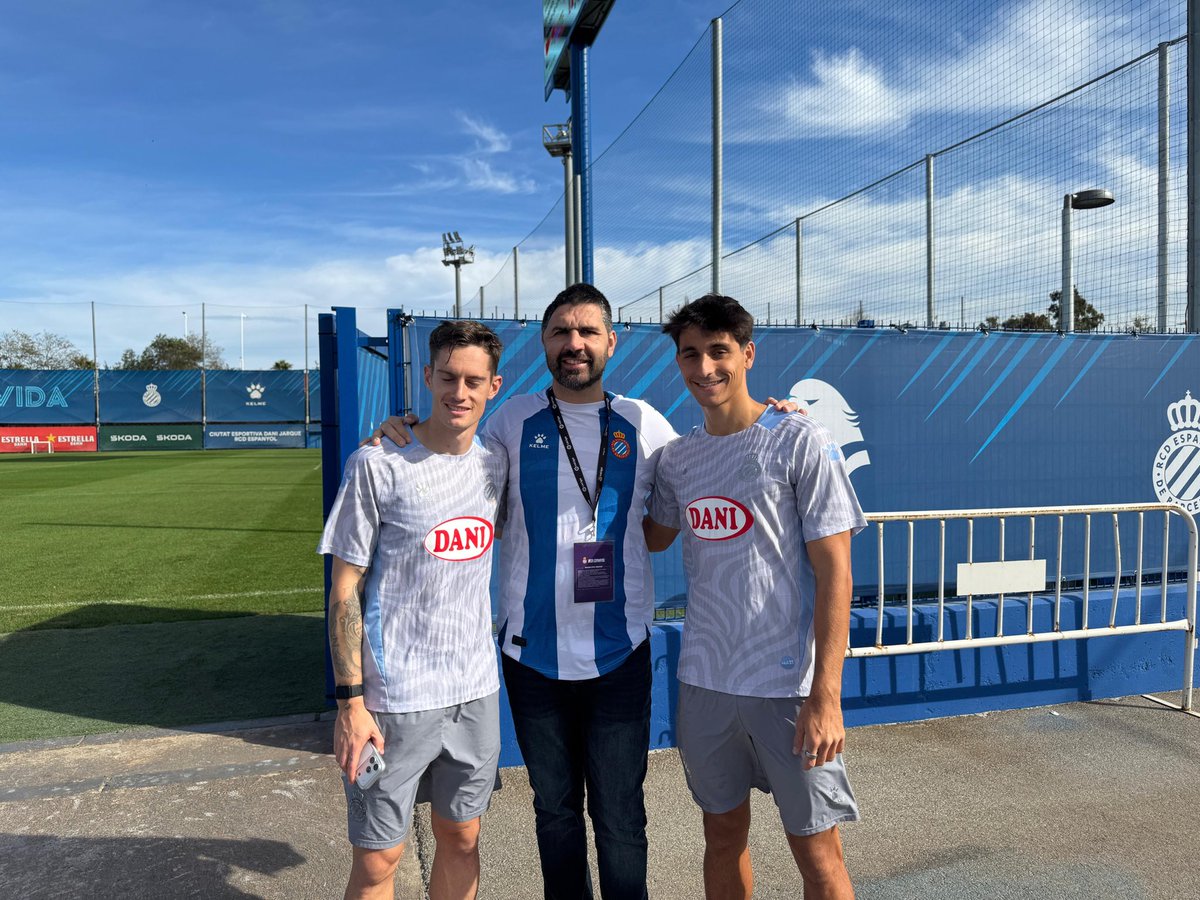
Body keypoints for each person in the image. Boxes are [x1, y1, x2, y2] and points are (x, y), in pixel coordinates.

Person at [378, 283, 676, 899]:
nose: (575, 344)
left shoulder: (644, 422)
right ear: (543, 343)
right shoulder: (512, 421)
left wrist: (775, 416)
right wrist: (396, 432)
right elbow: (448, 456)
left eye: (588, 332)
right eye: (561, 332)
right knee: (555, 810)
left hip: (620, 655)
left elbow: (700, 469)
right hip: (530, 655)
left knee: (620, 814)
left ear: (611, 342)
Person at [643, 294, 866, 900]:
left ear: (747, 354)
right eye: (691, 354)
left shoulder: (799, 439)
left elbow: (836, 573)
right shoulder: (677, 460)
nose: (705, 368)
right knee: (721, 835)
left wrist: (826, 695)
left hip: (789, 691)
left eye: (719, 351)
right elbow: (651, 537)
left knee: (818, 854)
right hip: (706, 684)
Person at [318, 320, 507, 900]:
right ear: (427, 376)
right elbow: (344, 590)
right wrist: (350, 702)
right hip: (393, 700)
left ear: (493, 386)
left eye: (474, 380)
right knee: (380, 858)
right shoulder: (376, 464)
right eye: (448, 376)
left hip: (474, 692)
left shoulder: (496, 464)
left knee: (463, 836)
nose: (460, 391)